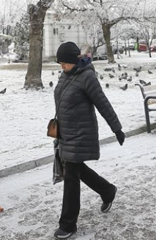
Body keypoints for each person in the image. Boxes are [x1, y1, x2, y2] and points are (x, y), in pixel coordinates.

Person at [53, 41, 124, 239]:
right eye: (60, 63)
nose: (62, 67)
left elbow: (102, 103)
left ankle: (68, 224)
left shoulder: (87, 77)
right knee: (77, 170)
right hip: (66, 133)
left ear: (74, 60)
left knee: (71, 178)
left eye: (65, 63)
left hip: (81, 133)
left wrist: (117, 128)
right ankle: (107, 191)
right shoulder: (65, 75)